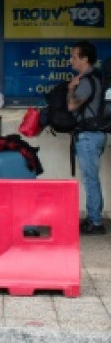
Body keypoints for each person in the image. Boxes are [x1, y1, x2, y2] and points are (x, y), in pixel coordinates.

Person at [67, 41, 107, 235]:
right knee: (92, 178)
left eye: (74, 56)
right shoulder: (97, 78)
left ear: (85, 59)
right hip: (95, 134)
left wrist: (71, 88)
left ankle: (95, 221)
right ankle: (94, 217)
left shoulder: (86, 81)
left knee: (90, 179)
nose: (71, 60)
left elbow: (72, 107)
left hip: (89, 136)